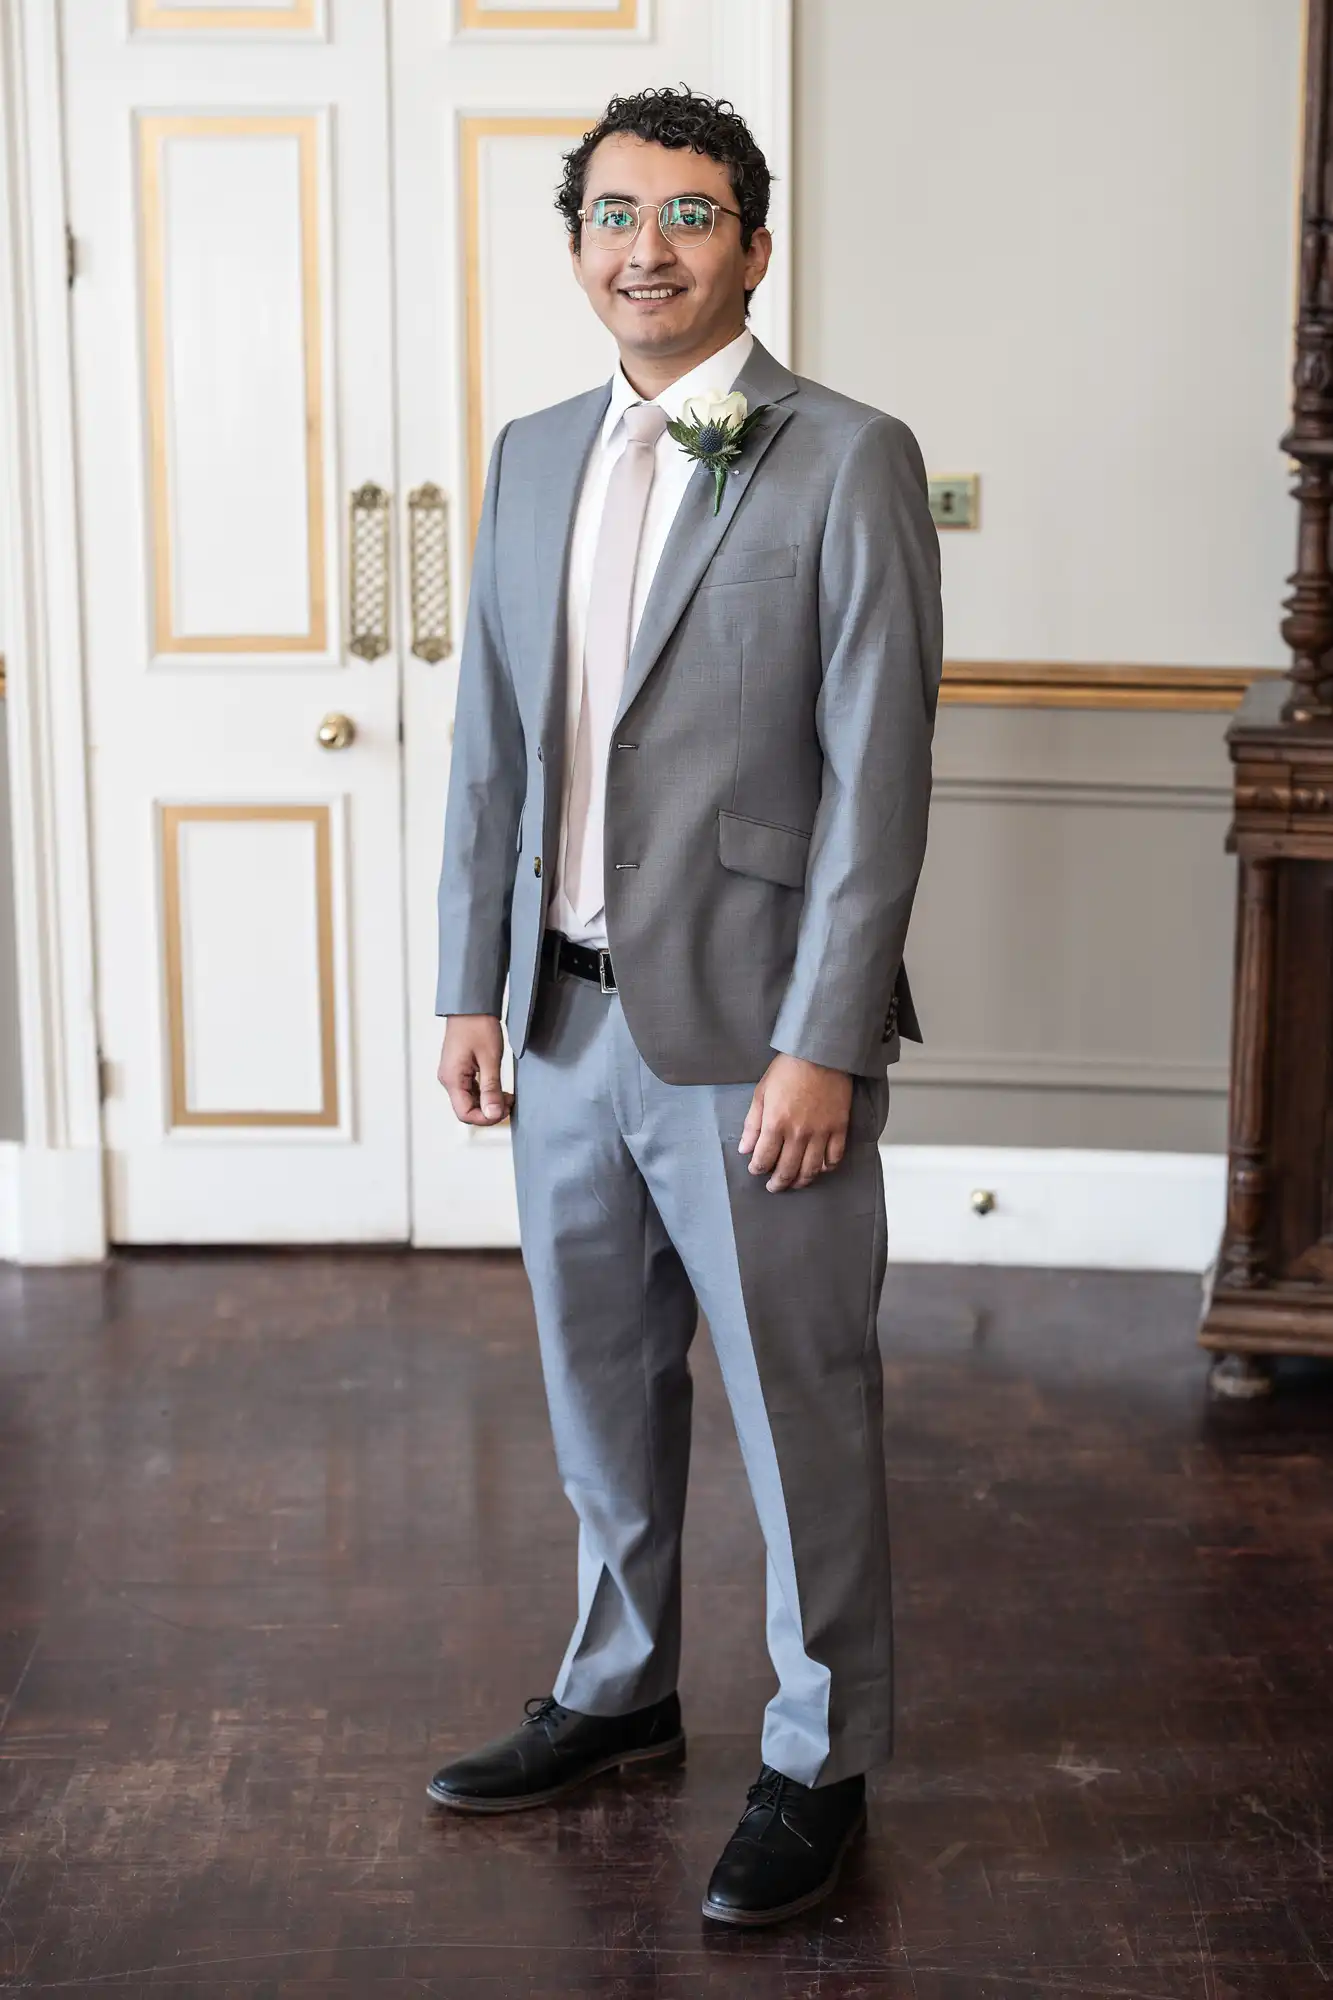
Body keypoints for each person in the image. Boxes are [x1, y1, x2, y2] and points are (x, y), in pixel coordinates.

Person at [427, 84, 942, 1929]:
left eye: (692, 214)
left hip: (755, 1048)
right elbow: (495, 748)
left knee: (803, 1409)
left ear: (756, 244)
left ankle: (823, 1756)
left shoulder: (848, 455)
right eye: (615, 214)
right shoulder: (528, 453)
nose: (649, 246)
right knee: (599, 1399)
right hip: (557, 1025)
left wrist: (826, 1039)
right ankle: (620, 1690)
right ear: (578, 244)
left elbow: (877, 779)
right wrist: (466, 988)